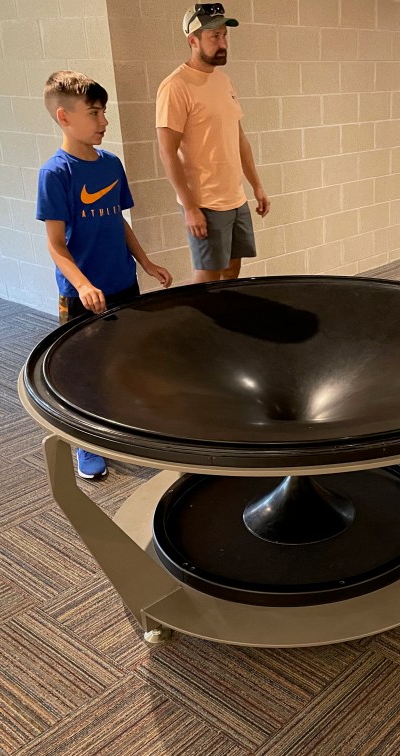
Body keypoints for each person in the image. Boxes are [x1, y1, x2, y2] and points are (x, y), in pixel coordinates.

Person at [37, 70, 173, 480]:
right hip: (82, 294)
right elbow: (55, 245)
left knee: (126, 359)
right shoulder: (55, 173)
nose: (104, 121)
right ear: (64, 117)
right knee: (83, 372)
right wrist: (82, 284)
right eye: (94, 113)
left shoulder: (111, 165)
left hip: (122, 283)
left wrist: (145, 262)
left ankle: (125, 427)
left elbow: (118, 221)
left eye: (104, 112)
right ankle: (85, 444)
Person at [156, 4, 270, 284]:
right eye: (214, 37)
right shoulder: (175, 86)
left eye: (224, 35)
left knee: (231, 270)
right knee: (207, 278)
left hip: (234, 197)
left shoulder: (223, 80)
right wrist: (190, 207)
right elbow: (167, 152)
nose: (223, 44)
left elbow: (238, 137)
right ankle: (198, 317)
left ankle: (225, 314)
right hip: (204, 201)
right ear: (193, 41)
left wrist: (256, 185)